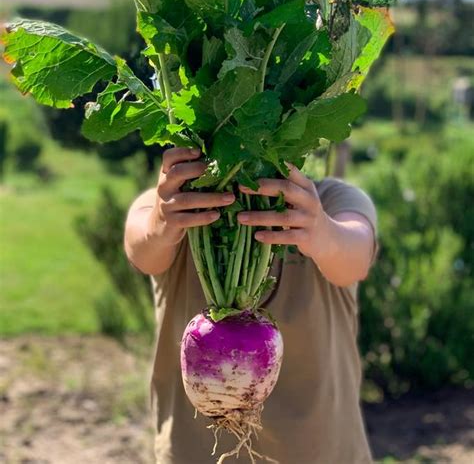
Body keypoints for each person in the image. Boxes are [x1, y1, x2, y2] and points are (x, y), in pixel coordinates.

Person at [124, 147, 377, 464]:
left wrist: (322, 231)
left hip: (320, 451)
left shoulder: (330, 201)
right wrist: (160, 223)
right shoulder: (176, 205)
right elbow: (141, 249)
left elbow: (356, 258)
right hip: (196, 453)